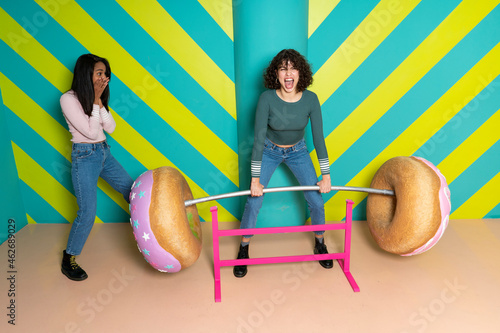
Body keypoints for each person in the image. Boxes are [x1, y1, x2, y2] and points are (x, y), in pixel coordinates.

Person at [234, 49, 333, 278]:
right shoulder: (267, 98)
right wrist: (255, 180)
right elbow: (258, 139)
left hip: (298, 152)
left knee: (316, 202)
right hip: (269, 150)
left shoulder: (311, 99)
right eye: (283, 69)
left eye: (293, 68)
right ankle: (243, 248)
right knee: (253, 201)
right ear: (276, 75)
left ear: (300, 73)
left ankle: (320, 242)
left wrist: (325, 175)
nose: (288, 74)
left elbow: (318, 139)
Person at [60, 54, 134, 281]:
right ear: (85, 73)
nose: (104, 78)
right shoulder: (68, 99)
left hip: (103, 152)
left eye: (105, 74)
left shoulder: (96, 99)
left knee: (132, 191)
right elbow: (90, 133)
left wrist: (99, 102)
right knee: (88, 213)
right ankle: (69, 258)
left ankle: (150, 233)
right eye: (99, 73)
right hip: (85, 157)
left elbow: (110, 128)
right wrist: (95, 102)